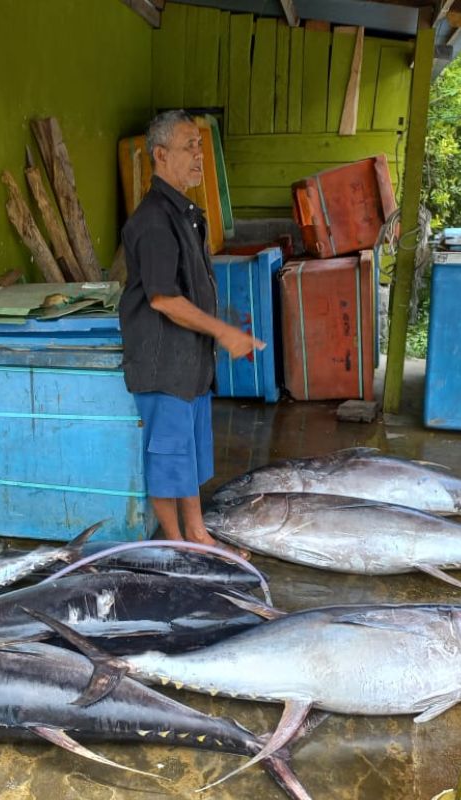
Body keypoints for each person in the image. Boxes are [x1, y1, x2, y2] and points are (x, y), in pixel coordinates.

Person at [118, 110, 265, 552]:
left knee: (188, 456)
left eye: (199, 146)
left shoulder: (185, 213)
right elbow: (162, 299)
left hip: (189, 365)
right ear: (160, 155)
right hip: (164, 367)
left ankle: (197, 535)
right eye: (189, 147)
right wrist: (224, 332)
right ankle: (179, 547)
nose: (199, 156)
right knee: (167, 461)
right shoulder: (153, 221)